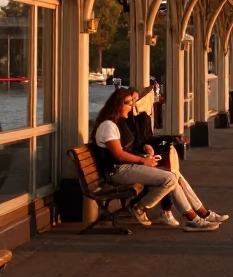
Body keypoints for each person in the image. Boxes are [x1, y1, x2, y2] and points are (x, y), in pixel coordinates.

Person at [91, 88, 218, 231]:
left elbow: (127, 150)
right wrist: (143, 161)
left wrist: (146, 156)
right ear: (117, 105)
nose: (132, 106)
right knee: (170, 178)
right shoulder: (108, 126)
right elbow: (119, 155)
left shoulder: (117, 122)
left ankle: (196, 216)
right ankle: (139, 206)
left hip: (126, 167)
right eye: (128, 103)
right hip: (118, 171)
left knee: (174, 175)